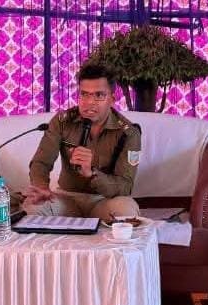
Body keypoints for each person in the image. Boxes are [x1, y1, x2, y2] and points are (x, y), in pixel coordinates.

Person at [23, 64, 141, 221]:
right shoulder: (62, 121)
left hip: (104, 201)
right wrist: (42, 187)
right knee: (33, 207)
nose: (90, 102)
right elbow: (41, 162)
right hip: (67, 198)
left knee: (126, 211)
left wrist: (92, 174)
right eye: (84, 94)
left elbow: (125, 186)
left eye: (99, 95)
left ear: (112, 99)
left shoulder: (128, 133)